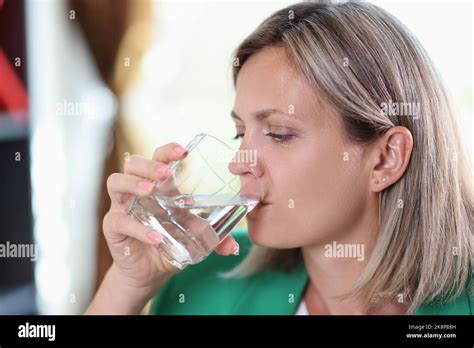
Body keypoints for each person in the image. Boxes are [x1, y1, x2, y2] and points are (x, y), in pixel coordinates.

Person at [86, 1, 473, 315]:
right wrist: (127, 286)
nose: (239, 162)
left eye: (279, 134)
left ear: (386, 159)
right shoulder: (202, 287)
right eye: (241, 132)